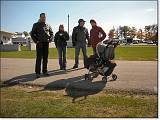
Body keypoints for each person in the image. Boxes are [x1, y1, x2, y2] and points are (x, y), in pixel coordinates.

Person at [31, 13, 53, 78]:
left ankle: (45, 71)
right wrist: (36, 41)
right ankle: (37, 73)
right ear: (40, 17)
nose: (44, 18)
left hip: (46, 43)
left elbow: (52, 33)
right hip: (39, 43)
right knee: (39, 58)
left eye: (45, 17)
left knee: (45, 58)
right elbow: (32, 34)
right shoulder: (36, 25)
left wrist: (50, 39)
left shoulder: (48, 25)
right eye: (42, 17)